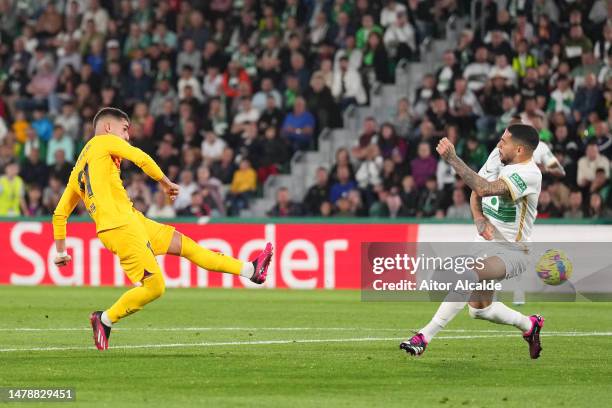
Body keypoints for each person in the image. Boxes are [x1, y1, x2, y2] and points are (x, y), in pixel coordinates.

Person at [52, 108, 273, 351]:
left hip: (132, 221)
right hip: (120, 228)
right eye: (125, 129)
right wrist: (166, 183)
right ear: (107, 128)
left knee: (187, 246)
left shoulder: (79, 168)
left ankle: (251, 270)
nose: (127, 137)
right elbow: (141, 158)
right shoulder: (104, 142)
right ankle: (104, 319)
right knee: (155, 287)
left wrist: (61, 252)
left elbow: (60, 213)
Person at [401, 124, 545, 359]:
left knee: (468, 273)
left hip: (513, 251)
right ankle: (530, 325)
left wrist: (453, 159)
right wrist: (479, 219)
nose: (499, 144)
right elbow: (475, 191)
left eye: (504, 141)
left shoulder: (529, 174)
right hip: (483, 244)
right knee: (480, 310)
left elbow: (484, 187)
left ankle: (423, 337)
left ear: (519, 150)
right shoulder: (498, 157)